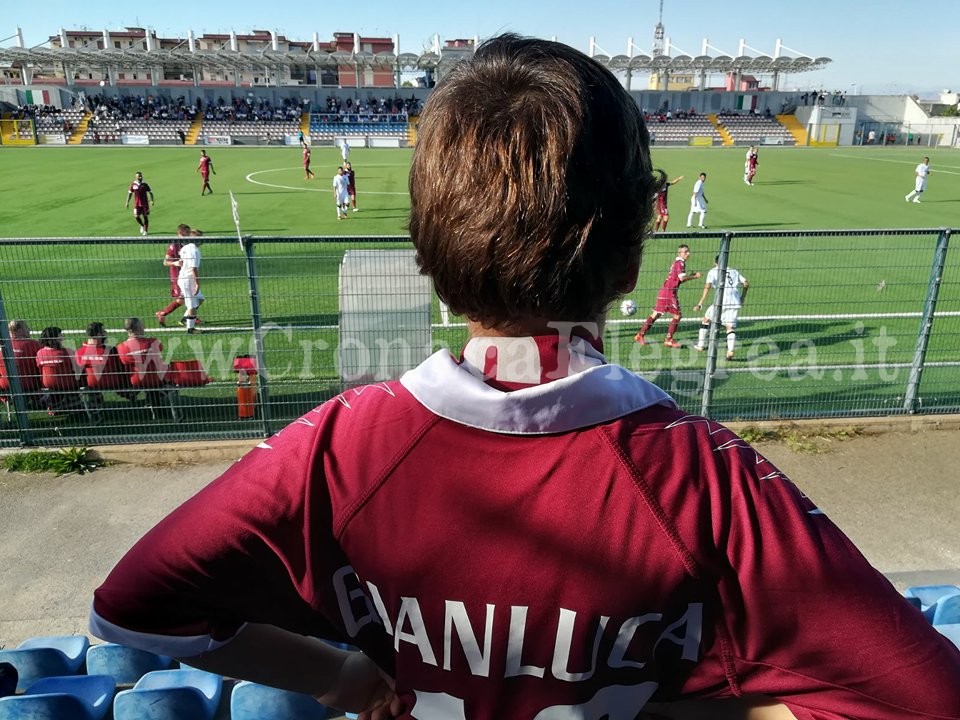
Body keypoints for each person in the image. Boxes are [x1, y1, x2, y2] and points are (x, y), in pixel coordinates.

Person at [89, 34, 960, 720]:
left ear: (427, 251)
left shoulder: (340, 446)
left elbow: (130, 611)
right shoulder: (706, 479)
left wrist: (341, 679)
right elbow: (927, 698)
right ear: (631, 261)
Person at [634, 244, 702, 348]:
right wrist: (694, 276)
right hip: (669, 293)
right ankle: (669, 339)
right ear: (680, 253)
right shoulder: (680, 263)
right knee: (677, 316)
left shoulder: (676, 263)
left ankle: (640, 335)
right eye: (686, 252)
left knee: (655, 314)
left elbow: (677, 279)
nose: (688, 254)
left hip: (664, 291)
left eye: (688, 251)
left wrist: (690, 276)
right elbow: (682, 278)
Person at [692, 256, 750, 360]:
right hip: (734, 301)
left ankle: (700, 345)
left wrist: (700, 303)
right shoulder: (734, 271)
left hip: (721, 301)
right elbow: (746, 283)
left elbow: (708, 286)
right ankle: (730, 351)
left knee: (705, 320)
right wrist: (742, 297)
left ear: (715, 263)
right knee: (730, 327)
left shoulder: (713, 271)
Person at [116, 317, 175, 418]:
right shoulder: (153, 342)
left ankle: (142, 398)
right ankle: (156, 403)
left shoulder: (121, 347)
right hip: (157, 379)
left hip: (136, 380)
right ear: (138, 328)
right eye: (142, 325)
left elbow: (124, 362)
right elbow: (159, 349)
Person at [155, 224, 200, 327]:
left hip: (187, 274)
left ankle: (189, 316)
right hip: (178, 275)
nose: (189, 235)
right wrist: (175, 263)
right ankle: (166, 314)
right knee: (185, 298)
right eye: (186, 233)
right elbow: (165, 262)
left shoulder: (187, 243)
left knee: (192, 297)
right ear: (180, 233)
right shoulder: (174, 245)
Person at [75, 321, 131, 395]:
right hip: (114, 383)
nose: (105, 334)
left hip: (91, 385)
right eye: (103, 332)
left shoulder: (80, 352)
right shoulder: (111, 351)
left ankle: (95, 401)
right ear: (98, 335)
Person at [35, 326, 81, 414]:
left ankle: (55, 405)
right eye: (60, 335)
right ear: (55, 338)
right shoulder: (67, 352)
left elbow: (40, 369)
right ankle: (72, 404)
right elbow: (77, 368)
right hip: (68, 384)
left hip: (49, 384)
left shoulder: (40, 353)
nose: (63, 337)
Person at [0, 319, 42, 402]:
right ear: (19, 331)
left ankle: (5, 398)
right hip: (28, 384)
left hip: (6, 384)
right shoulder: (33, 344)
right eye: (26, 327)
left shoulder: (2, 345)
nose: (29, 329)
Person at [178, 233, 204, 333]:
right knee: (192, 306)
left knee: (200, 299)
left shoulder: (186, 247)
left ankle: (186, 318)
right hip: (188, 280)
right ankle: (190, 329)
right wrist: (197, 283)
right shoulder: (194, 250)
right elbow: (193, 268)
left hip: (183, 278)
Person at [125, 171, 154, 236]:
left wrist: (152, 200)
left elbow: (151, 192)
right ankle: (142, 225)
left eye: (141, 176)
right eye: (139, 176)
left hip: (144, 204)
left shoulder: (145, 184)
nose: (140, 177)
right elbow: (129, 194)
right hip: (136, 204)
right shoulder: (133, 184)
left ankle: (145, 231)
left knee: (145, 217)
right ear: (136, 177)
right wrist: (127, 202)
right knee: (136, 216)